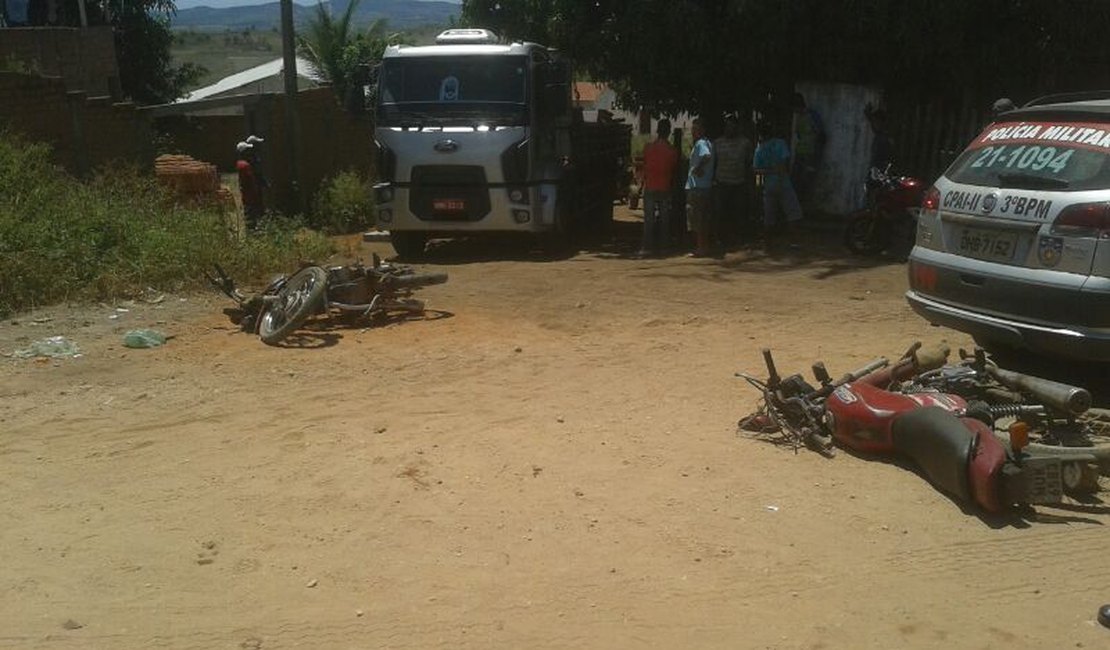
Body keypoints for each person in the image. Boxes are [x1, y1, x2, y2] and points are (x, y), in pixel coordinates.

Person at [752, 120, 802, 248]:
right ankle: (794, 241)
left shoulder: (760, 148)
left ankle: (768, 243)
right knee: (792, 213)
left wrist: (768, 171)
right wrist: (777, 170)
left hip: (769, 184)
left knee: (769, 215)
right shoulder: (780, 143)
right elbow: (784, 163)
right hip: (783, 182)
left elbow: (756, 169)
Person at [638, 118, 679, 257]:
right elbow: (673, 169)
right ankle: (664, 247)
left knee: (648, 219)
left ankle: (647, 247)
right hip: (665, 186)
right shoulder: (672, 151)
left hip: (650, 186)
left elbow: (645, 166)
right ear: (668, 132)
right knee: (664, 219)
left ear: (657, 131)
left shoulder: (648, 148)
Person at [713, 116, 753, 248]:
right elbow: (713, 163)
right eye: (727, 126)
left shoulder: (745, 143)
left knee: (739, 213)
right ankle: (721, 239)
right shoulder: (717, 143)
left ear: (737, 127)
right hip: (722, 183)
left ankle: (739, 239)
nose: (729, 129)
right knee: (720, 213)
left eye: (732, 126)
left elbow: (748, 163)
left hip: (739, 184)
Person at [685, 117, 716, 257]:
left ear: (702, 130)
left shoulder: (701, 143)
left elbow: (706, 156)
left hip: (698, 187)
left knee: (697, 219)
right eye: (693, 129)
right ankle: (704, 246)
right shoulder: (707, 143)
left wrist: (698, 167)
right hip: (704, 186)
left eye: (696, 129)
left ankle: (701, 247)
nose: (693, 132)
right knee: (702, 218)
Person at [790, 92, 825, 207]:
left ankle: (804, 204)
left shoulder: (812, 116)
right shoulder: (800, 117)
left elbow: (821, 134)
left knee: (807, 180)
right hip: (801, 152)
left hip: (810, 153)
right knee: (796, 179)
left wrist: (816, 153)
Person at [235, 136, 268, 230]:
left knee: (252, 212)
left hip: (249, 193)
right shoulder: (244, 165)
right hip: (250, 194)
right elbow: (250, 180)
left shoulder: (243, 164)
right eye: (247, 150)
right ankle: (251, 230)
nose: (250, 152)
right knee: (251, 213)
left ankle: (253, 229)